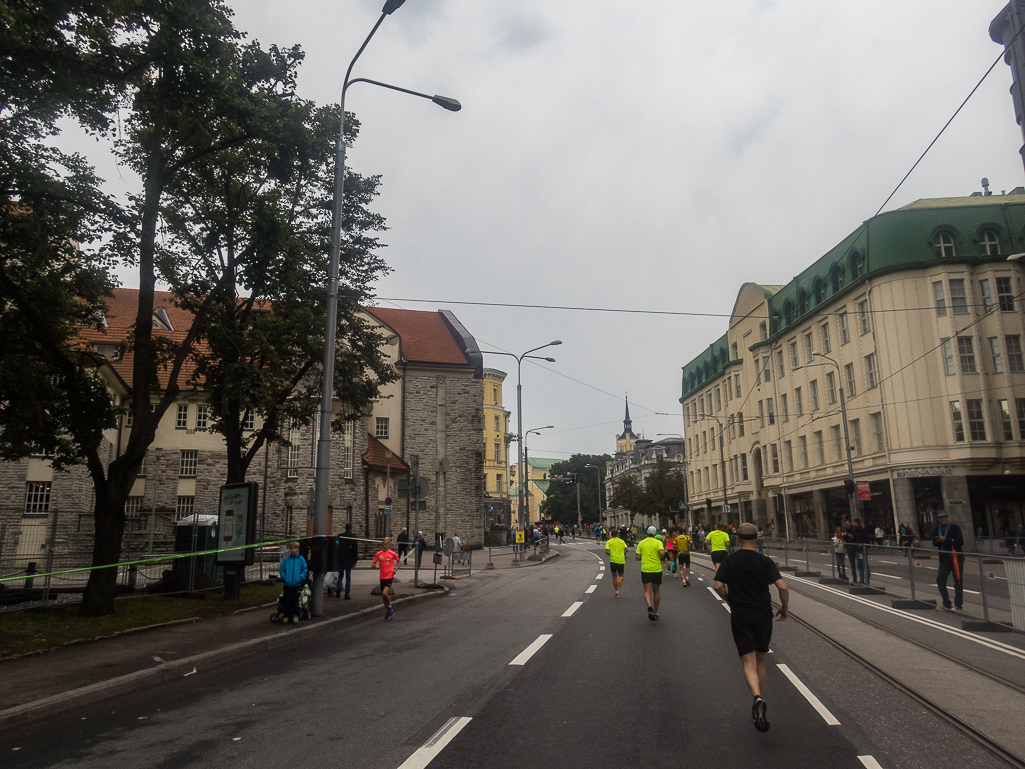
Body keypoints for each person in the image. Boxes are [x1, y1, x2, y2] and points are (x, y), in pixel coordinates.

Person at [713, 523, 789, 733]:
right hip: (763, 613)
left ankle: (756, 699)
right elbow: (782, 586)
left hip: (741, 613)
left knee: (748, 660)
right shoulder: (765, 561)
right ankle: (759, 702)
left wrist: (730, 600)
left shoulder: (730, 560)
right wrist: (784, 607)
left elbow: (718, 585)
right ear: (757, 539)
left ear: (738, 540)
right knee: (761, 658)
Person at [932, 510, 964, 611]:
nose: (943, 519)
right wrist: (937, 540)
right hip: (944, 558)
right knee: (940, 580)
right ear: (938, 519)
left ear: (947, 517)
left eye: (944, 517)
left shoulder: (955, 528)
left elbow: (960, 541)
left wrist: (946, 540)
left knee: (957, 581)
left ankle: (958, 605)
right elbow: (934, 542)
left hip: (955, 558)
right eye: (941, 518)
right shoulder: (937, 529)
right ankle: (946, 603)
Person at [636, 526, 666, 620]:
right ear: (655, 533)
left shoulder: (641, 543)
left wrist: (644, 557)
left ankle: (649, 605)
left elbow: (637, 557)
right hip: (656, 569)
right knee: (656, 591)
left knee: (647, 592)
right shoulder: (658, 543)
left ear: (647, 533)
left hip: (646, 569)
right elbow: (661, 553)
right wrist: (660, 557)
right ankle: (655, 612)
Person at [278, 540, 308, 623]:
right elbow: (282, 569)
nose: (292, 550)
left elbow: (304, 569)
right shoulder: (287, 560)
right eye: (291, 548)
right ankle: (286, 615)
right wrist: (284, 577)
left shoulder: (301, 559)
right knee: (286, 601)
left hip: (296, 584)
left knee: (295, 601)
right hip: (287, 584)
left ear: (297, 549)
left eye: (294, 548)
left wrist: (300, 577)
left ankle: (296, 615)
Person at [373, 536, 401, 619]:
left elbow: (399, 562)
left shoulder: (392, 554)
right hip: (382, 577)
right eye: (383, 544)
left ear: (389, 545)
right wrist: (373, 565)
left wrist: (395, 569)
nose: (384, 546)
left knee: (385, 593)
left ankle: (390, 608)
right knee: (383, 596)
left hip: (389, 576)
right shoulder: (379, 554)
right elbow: (374, 562)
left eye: (386, 544)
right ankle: (388, 611)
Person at [335, 523, 359, 599]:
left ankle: (338, 588)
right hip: (349, 559)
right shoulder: (353, 537)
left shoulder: (340, 536)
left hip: (341, 558)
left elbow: (337, 546)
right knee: (348, 576)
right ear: (351, 528)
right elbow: (355, 550)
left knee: (340, 574)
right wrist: (355, 561)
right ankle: (347, 594)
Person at [605, 527, 629, 598]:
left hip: (613, 560)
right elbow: (627, 549)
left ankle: (617, 592)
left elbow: (606, 551)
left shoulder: (609, 542)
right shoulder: (621, 541)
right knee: (620, 575)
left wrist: (610, 554)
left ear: (611, 534)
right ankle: (620, 580)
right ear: (618, 534)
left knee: (614, 576)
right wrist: (623, 553)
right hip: (621, 560)